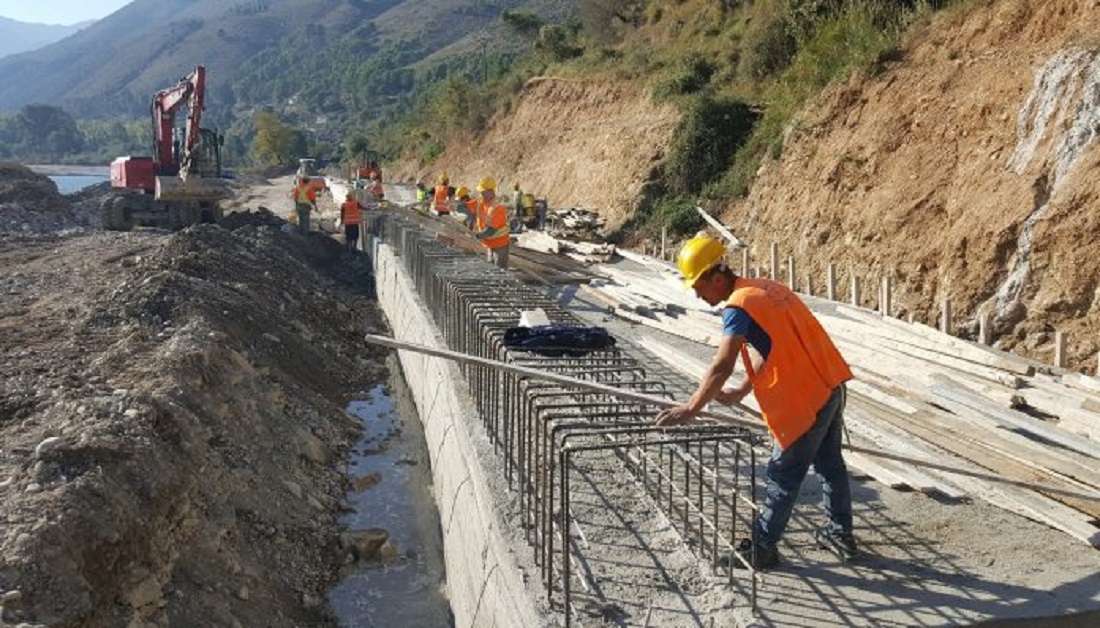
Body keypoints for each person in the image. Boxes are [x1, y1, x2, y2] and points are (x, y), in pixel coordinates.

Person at [655, 233, 856, 569]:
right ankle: (840, 533)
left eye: (697, 285)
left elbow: (722, 364)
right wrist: (741, 391)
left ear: (716, 278)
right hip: (829, 384)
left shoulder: (738, 308)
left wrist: (691, 408)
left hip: (804, 397)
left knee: (782, 473)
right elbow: (773, 348)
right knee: (830, 464)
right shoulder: (767, 289)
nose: (696, 293)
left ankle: (762, 548)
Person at [473, 177, 510, 268]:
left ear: (490, 192)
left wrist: (476, 236)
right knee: (490, 268)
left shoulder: (497, 207)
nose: (480, 193)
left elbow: (491, 230)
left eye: (483, 191)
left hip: (499, 244)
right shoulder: (482, 203)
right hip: (489, 243)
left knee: (499, 270)